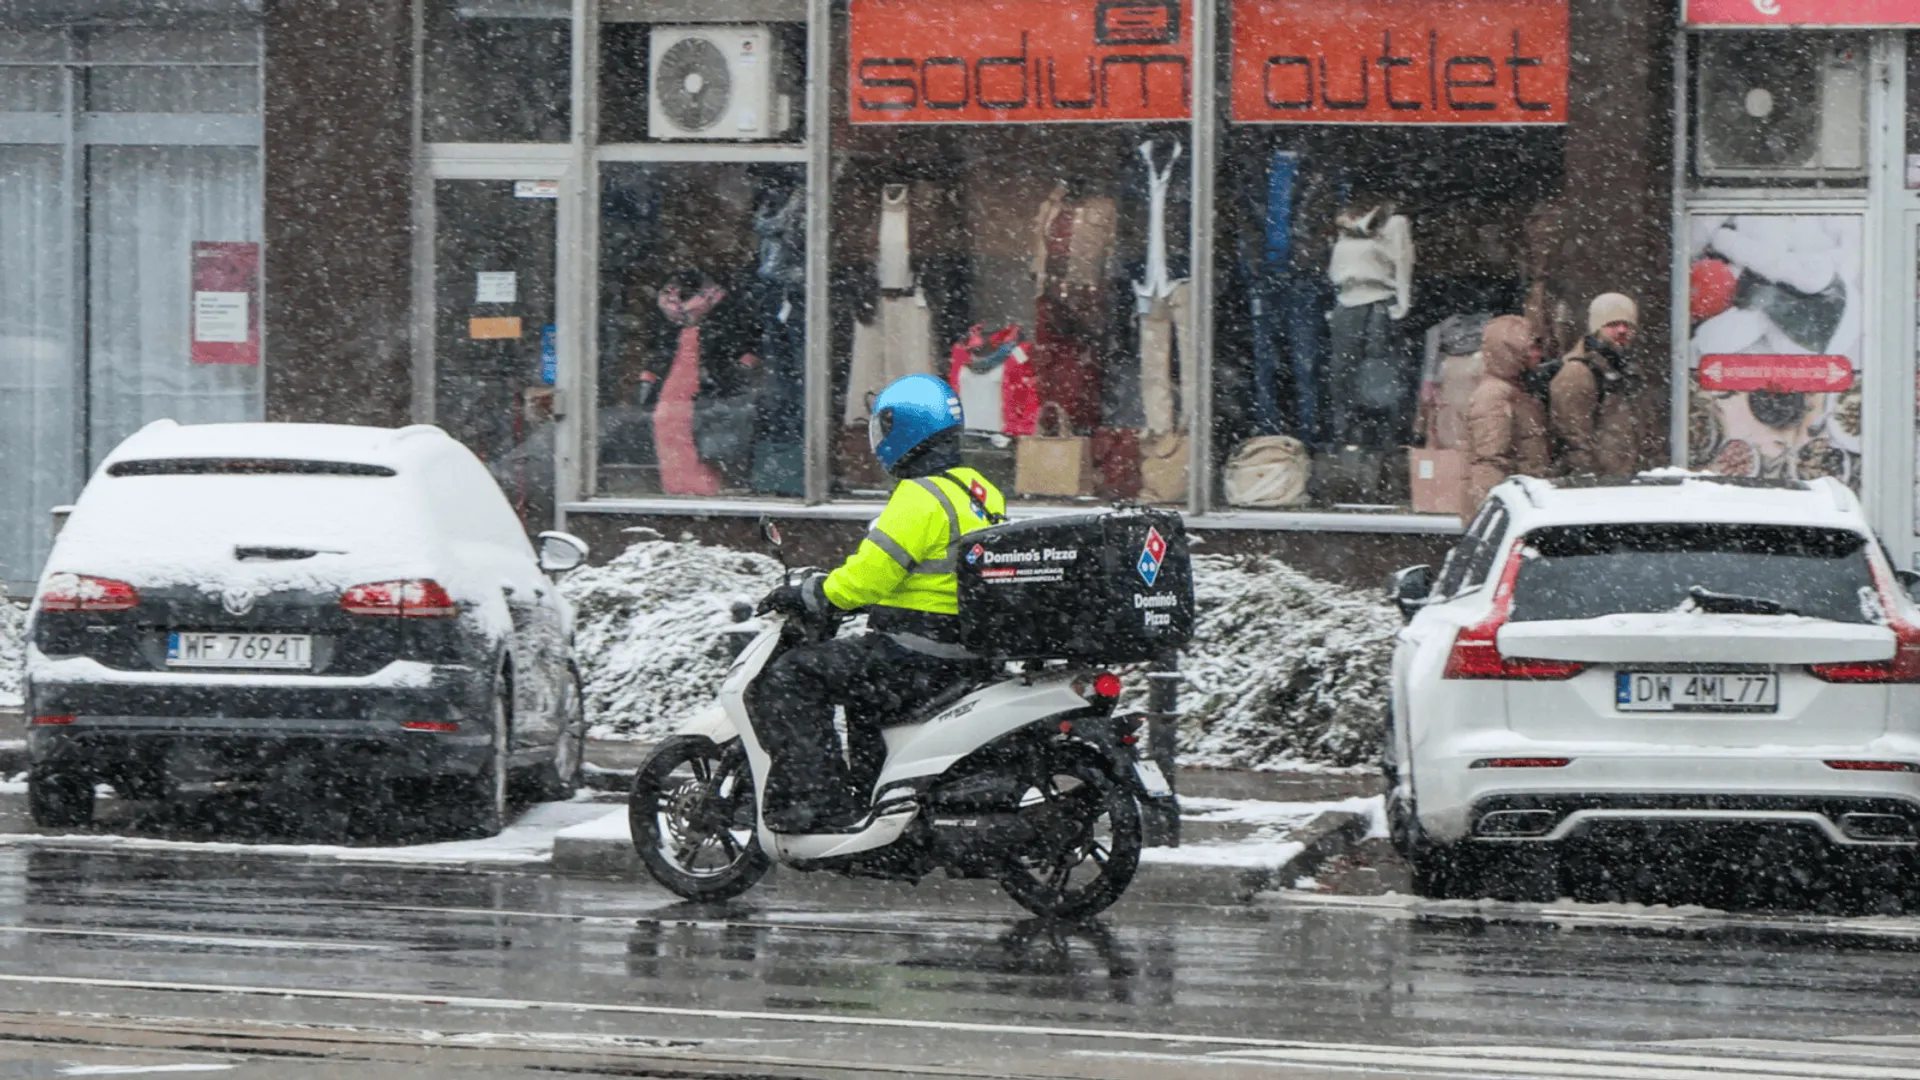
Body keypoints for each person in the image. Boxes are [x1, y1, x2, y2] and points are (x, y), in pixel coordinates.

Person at [749, 374, 1006, 832]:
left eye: (882, 428)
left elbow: (867, 580)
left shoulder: (919, 496)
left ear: (902, 428)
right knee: (862, 691)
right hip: (962, 652)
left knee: (792, 677)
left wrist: (808, 593)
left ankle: (815, 803)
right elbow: (926, 574)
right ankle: (873, 799)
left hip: (916, 654)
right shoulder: (979, 492)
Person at [1549, 292, 1644, 477]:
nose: (1622, 330)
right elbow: (1574, 442)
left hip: (1622, 484)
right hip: (1598, 489)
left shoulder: (1626, 370)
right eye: (1613, 324)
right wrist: (1588, 484)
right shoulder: (1578, 373)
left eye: (1628, 325)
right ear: (1596, 328)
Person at [1465, 315, 1550, 514]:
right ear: (1511, 352)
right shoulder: (1494, 396)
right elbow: (1490, 463)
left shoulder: (1518, 391)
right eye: (1530, 348)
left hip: (1523, 504)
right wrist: (1492, 518)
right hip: (1513, 509)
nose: (1538, 354)